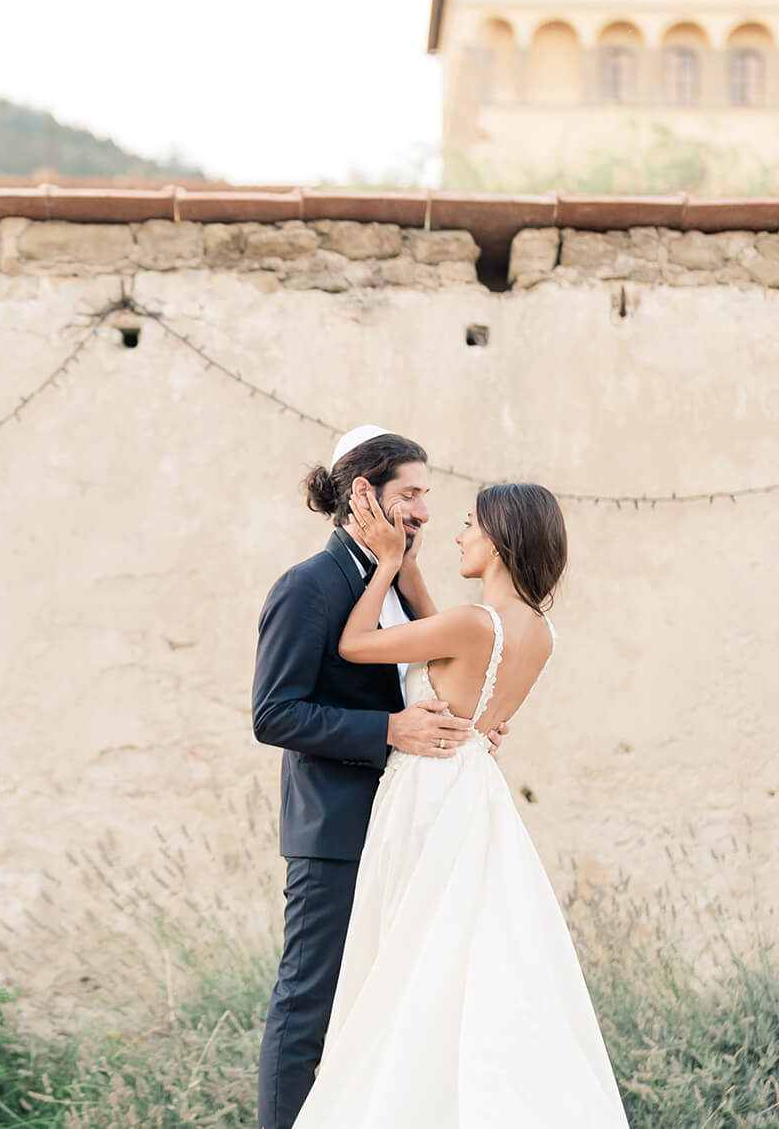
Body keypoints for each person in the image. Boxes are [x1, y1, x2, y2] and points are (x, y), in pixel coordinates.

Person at [291, 472, 630, 1127]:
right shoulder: (538, 631)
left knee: (412, 955)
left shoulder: (473, 623)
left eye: (471, 523)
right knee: (464, 955)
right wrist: (410, 569)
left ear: (499, 541)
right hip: (474, 785)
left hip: (428, 790)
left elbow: (355, 644)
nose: (457, 533)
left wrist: (388, 561)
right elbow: (464, 664)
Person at [252, 426, 512, 1129]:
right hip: (335, 829)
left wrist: (470, 722)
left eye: (429, 495)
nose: (426, 510)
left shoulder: (398, 583)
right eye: (412, 494)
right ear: (363, 493)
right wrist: (389, 729)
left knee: (385, 1007)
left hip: (410, 825)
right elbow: (274, 713)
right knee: (308, 1008)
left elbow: (450, 669)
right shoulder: (308, 586)